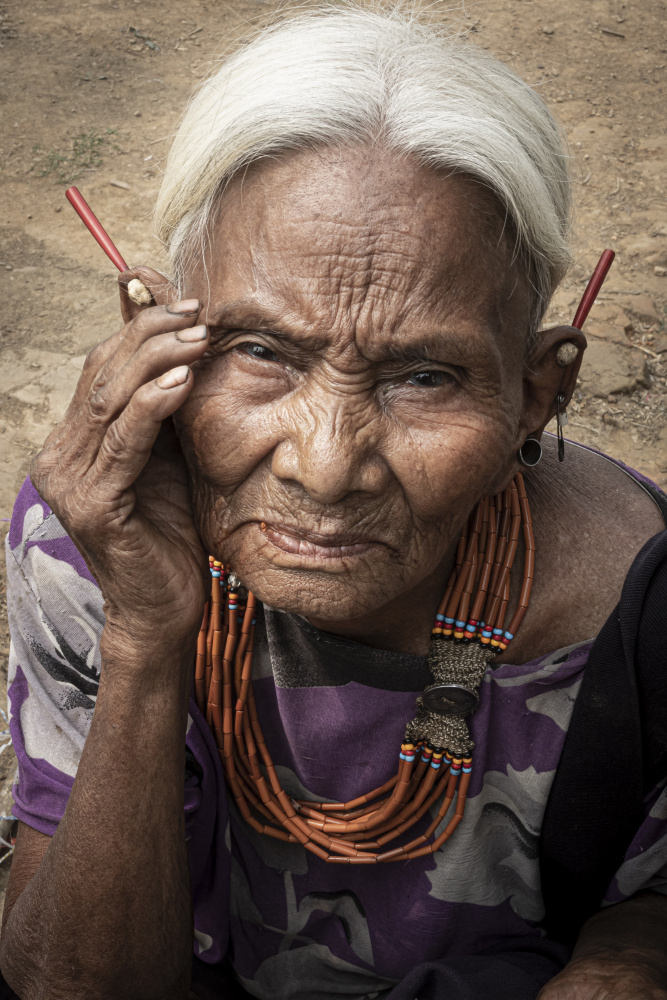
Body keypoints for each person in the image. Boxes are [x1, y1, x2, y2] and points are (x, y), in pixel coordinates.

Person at [2, 6, 667, 999]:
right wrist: (145, 637)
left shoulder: (638, 598)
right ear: (156, 338)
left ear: (536, 393)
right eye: (260, 351)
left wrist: (626, 955)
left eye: (424, 377)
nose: (324, 466)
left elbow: (646, 887)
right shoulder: (97, 537)